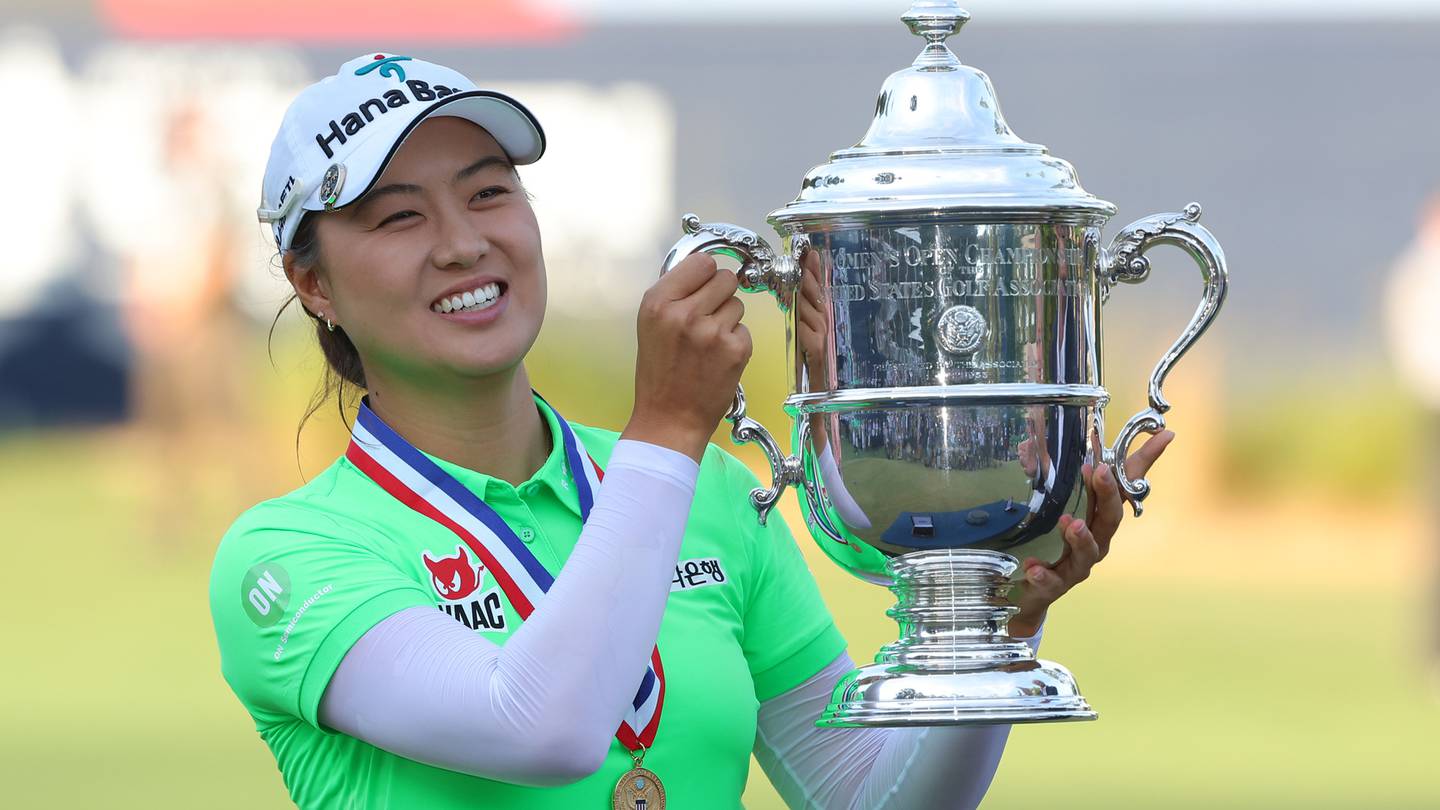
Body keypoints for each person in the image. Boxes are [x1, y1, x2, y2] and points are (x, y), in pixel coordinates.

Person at [208, 53, 1173, 809]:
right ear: (313, 283)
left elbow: (867, 797)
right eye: (397, 218)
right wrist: (668, 424)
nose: (464, 242)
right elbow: (541, 728)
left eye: (489, 192)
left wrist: (989, 627)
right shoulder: (289, 556)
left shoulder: (707, 494)